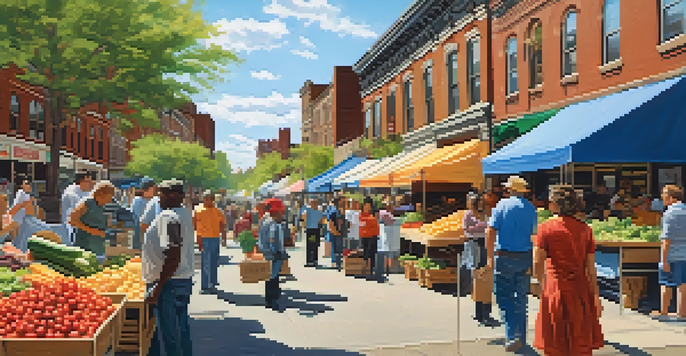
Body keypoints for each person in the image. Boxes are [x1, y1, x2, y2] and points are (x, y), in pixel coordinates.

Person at [531, 185, 604, 355]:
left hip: (555, 288)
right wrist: (595, 296)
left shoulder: (545, 228)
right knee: (580, 342)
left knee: (555, 343)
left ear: (555, 204)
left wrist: (541, 283)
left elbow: (537, 261)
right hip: (581, 289)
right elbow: (591, 269)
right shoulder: (586, 229)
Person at [485, 176, 537, 352]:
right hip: (525, 256)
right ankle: (521, 336)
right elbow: (534, 235)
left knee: (505, 297)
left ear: (509, 190)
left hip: (505, 256)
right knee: (521, 298)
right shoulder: (531, 209)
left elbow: (490, 231)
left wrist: (489, 258)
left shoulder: (502, 205)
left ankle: (512, 335)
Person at [143, 180, 193, 356]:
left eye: (161, 195)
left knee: (171, 335)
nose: (158, 199)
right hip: (181, 280)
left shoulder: (168, 217)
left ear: (172, 195)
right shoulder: (185, 213)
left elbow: (173, 254)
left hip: (169, 284)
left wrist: (158, 286)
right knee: (180, 330)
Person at [463, 192, 498, 327]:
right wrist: (482, 227)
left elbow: (491, 228)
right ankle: (479, 312)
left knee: (487, 278)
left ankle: (486, 312)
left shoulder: (486, 214)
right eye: (475, 203)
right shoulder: (468, 215)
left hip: (486, 246)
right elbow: (467, 231)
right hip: (475, 247)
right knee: (478, 278)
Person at [654, 184, 686, 320]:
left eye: (664, 196)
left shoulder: (669, 214)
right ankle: (682, 313)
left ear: (671, 198)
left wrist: (663, 259)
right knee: (683, 284)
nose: (663, 199)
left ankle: (664, 312)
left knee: (666, 283)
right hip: (684, 255)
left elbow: (667, 239)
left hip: (671, 254)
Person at [69, 181, 116, 263]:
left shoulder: (104, 206)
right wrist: (91, 230)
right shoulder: (88, 203)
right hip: (84, 246)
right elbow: (72, 220)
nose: (110, 199)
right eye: (109, 196)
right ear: (101, 194)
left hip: (98, 248)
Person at [258, 198, 289, 311]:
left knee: (269, 277)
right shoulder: (273, 223)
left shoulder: (263, 220)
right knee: (274, 277)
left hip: (265, 251)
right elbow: (272, 238)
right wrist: (276, 252)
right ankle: (272, 300)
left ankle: (268, 300)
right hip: (273, 253)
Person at [194, 191, 226, 294]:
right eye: (206, 199)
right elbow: (194, 225)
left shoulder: (217, 210)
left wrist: (224, 238)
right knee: (206, 263)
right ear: (203, 199)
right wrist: (198, 240)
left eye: (211, 199)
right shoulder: (198, 210)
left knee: (214, 261)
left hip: (215, 238)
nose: (209, 201)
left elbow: (223, 224)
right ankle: (205, 286)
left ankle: (212, 282)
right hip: (204, 238)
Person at [61, 172, 95, 246]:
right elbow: (80, 209)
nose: (91, 184)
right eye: (89, 181)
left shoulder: (86, 192)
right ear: (82, 181)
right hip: (71, 229)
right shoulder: (71, 193)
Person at [8, 179, 37, 252]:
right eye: (26, 184)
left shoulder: (26, 194)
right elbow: (19, 205)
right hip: (17, 219)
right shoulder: (21, 193)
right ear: (21, 186)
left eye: (29, 184)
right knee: (17, 238)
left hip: (21, 219)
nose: (28, 185)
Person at [130, 178, 156, 249]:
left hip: (145, 231)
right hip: (143, 230)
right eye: (153, 188)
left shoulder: (136, 200)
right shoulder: (138, 201)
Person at [359, 197, 380, 278]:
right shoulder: (361, 214)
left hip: (373, 235)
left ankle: (371, 270)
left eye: (369, 205)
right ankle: (365, 270)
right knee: (365, 253)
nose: (367, 207)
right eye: (366, 205)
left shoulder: (374, 212)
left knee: (372, 253)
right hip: (364, 236)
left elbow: (376, 222)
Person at [302, 198, 325, 267]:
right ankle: (312, 260)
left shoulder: (309, 210)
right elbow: (322, 220)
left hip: (312, 229)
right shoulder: (318, 211)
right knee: (313, 245)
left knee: (313, 245)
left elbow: (303, 217)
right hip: (314, 229)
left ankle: (312, 260)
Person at [327, 197, 346, 271]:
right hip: (337, 233)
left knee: (337, 248)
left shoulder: (337, 211)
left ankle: (337, 263)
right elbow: (331, 222)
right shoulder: (335, 211)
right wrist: (335, 231)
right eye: (342, 202)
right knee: (337, 249)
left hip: (337, 233)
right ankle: (337, 264)